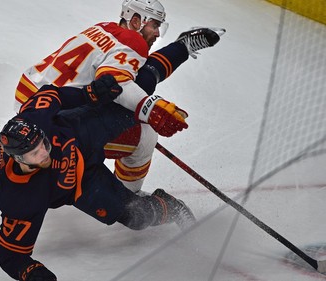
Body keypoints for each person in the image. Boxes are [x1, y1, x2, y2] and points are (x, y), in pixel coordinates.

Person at [0, 75, 196, 280]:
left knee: (130, 99)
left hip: (79, 131)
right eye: (35, 153)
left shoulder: (31, 121)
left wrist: (88, 93)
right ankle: (172, 206)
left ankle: (181, 48)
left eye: (43, 144)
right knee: (138, 217)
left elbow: (51, 93)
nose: (44, 153)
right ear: (18, 158)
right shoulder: (17, 198)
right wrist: (31, 273)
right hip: (81, 184)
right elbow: (11, 256)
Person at [14, 0, 225, 194]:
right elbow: (116, 83)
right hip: (57, 127)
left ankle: (182, 47)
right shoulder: (134, 41)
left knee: (137, 79)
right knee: (146, 132)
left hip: (29, 104)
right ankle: (128, 196)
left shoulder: (103, 27)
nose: (158, 33)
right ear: (136, 21)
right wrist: (152, 108)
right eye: (155, 25)